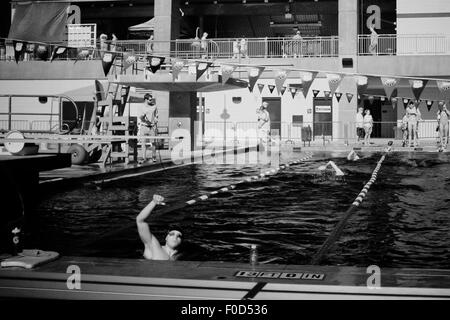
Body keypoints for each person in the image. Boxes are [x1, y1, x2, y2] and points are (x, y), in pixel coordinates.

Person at [136, 194, 183, 260]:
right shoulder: (153, 246)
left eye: (179, 236)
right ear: (166, 238)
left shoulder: (180, 256)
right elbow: (140, 220)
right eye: (172, 234)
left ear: (181, 241)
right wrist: (153, 202)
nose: (175, 237)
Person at [138, 93, 159, 163]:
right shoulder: (141, 107)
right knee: (143, 143)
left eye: (152, 99)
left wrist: (155, 121)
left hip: (152, 127)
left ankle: (154, 157)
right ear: (146, 99)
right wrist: (143, 118)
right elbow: (140, 117)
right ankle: (143, 158)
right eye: (150, 99)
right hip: (144, 127)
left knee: (153, 143)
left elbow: (156, 116)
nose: (151, 101)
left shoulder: (154, 106)